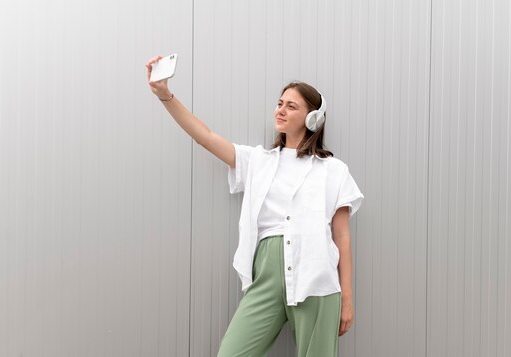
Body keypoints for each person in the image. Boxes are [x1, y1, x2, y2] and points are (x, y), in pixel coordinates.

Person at [146, 56, 364, 357]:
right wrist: (165, 95)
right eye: (280, 103)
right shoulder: (258, 161)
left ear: (313, 118)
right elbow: (206, 138)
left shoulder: (333, 170)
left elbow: (342, 237)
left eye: (291, 105)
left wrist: (347, 299)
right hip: (267, 275)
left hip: (316, 276)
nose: (281, 110)